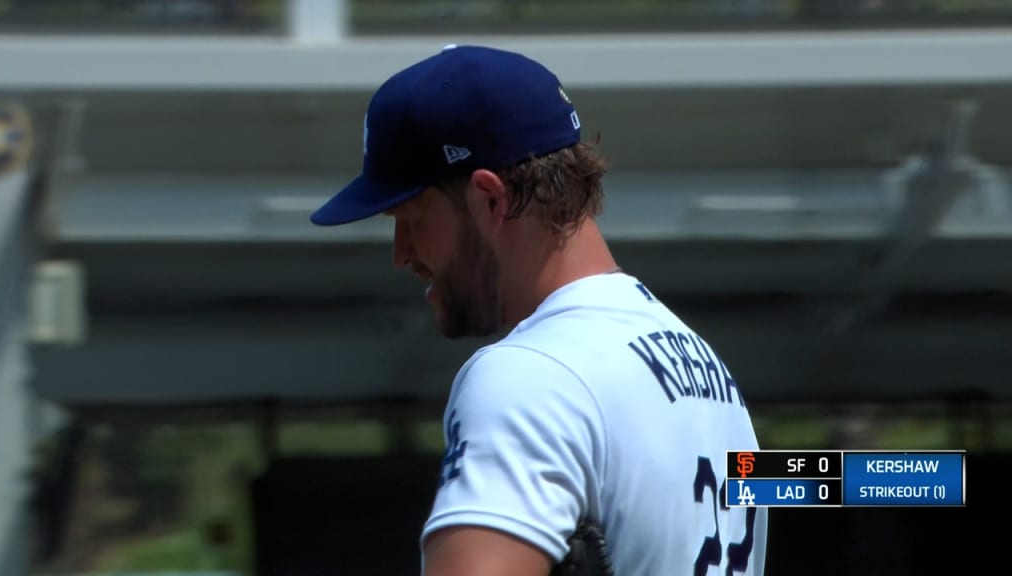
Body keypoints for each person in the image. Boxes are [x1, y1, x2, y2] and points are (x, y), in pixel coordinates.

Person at [310, 44, 767, 576]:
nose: (401, 253)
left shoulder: (530, 375)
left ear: (489, 200)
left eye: (408, 217)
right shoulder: (704, 366)